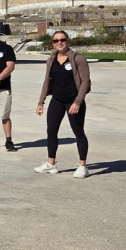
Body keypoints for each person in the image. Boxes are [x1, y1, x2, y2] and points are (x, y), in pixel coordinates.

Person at [34, 30, 92, 178]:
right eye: (56, 40)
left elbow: (85, 81)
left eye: (62, 39)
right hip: (57, 100)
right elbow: (47, 81)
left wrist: (78, 102)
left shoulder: (78, 58)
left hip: (73, 101)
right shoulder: (51, 59)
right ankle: (51, 163)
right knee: (51, 131)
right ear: (52, 43)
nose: (59, 42)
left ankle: (82, 165)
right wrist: (41, 101)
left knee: (78, 131)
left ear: (67, 40)